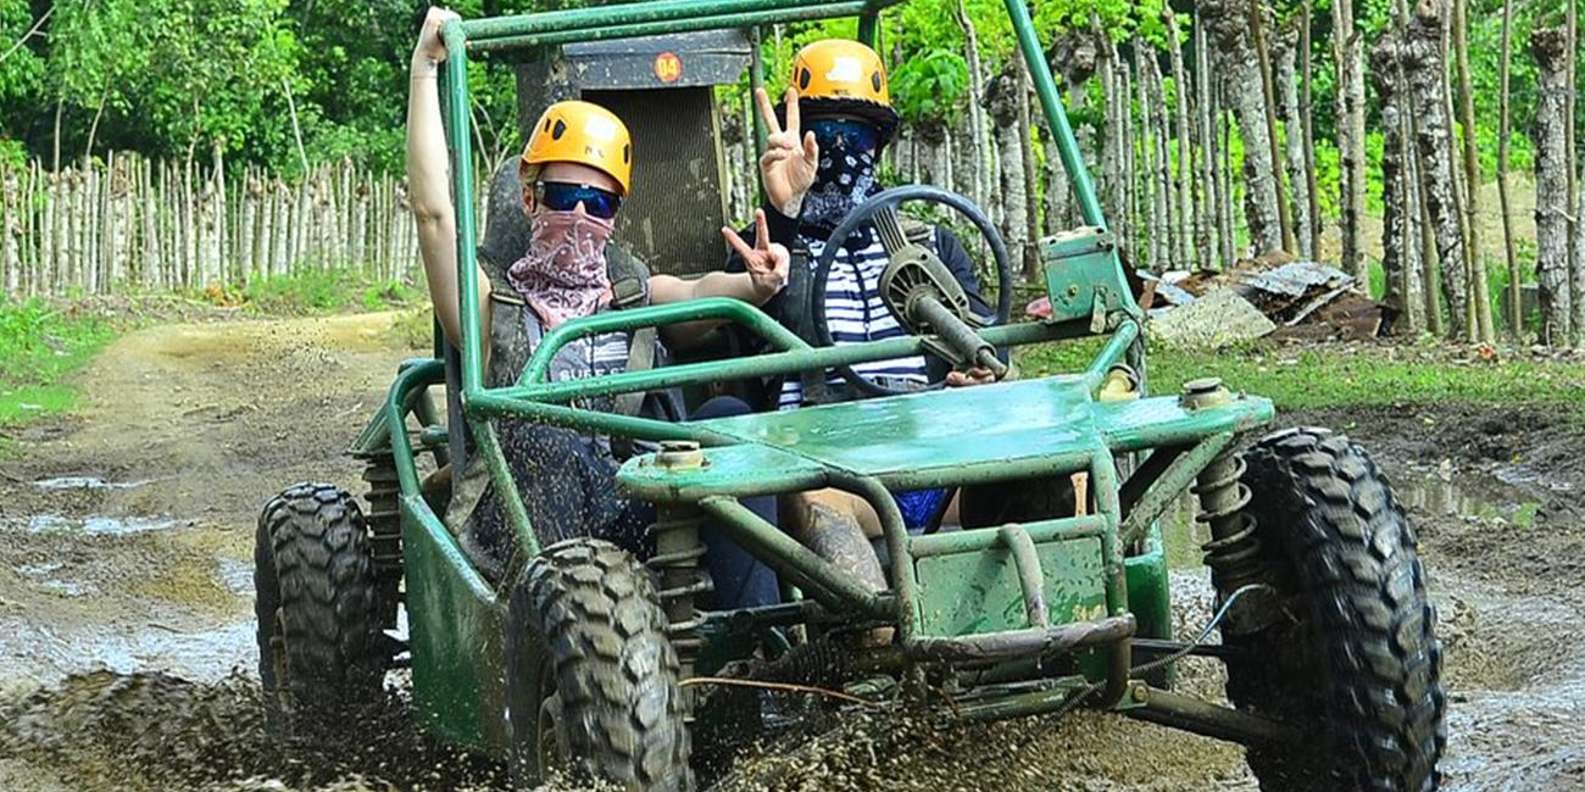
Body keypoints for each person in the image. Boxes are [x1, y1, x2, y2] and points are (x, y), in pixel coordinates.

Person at [407, 7, 789, 610]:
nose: (581, 217)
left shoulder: (629, 292)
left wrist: (755, 286)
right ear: (529, 197)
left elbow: (694, 295)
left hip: (627, 510)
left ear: (616, 214)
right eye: (565, 196)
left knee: (727, 416)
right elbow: (433, 214)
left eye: (599, 202)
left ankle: (760, 634)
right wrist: (425, 72)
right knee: (550, 443)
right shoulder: (492, 312)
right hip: (529, 540)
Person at [726, 39, 1000, 596]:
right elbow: (741, 313)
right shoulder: (768, 253)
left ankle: (1075, 639)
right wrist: (785, 216)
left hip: (940, 456)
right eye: (822, 136)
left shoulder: (934, 248)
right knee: (823, 516)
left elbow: (992, 347)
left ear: (880, 145)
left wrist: (980, 374)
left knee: (1060, 480)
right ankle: (872, 647)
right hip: (825, 466)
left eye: (857, 137)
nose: (837, 151)